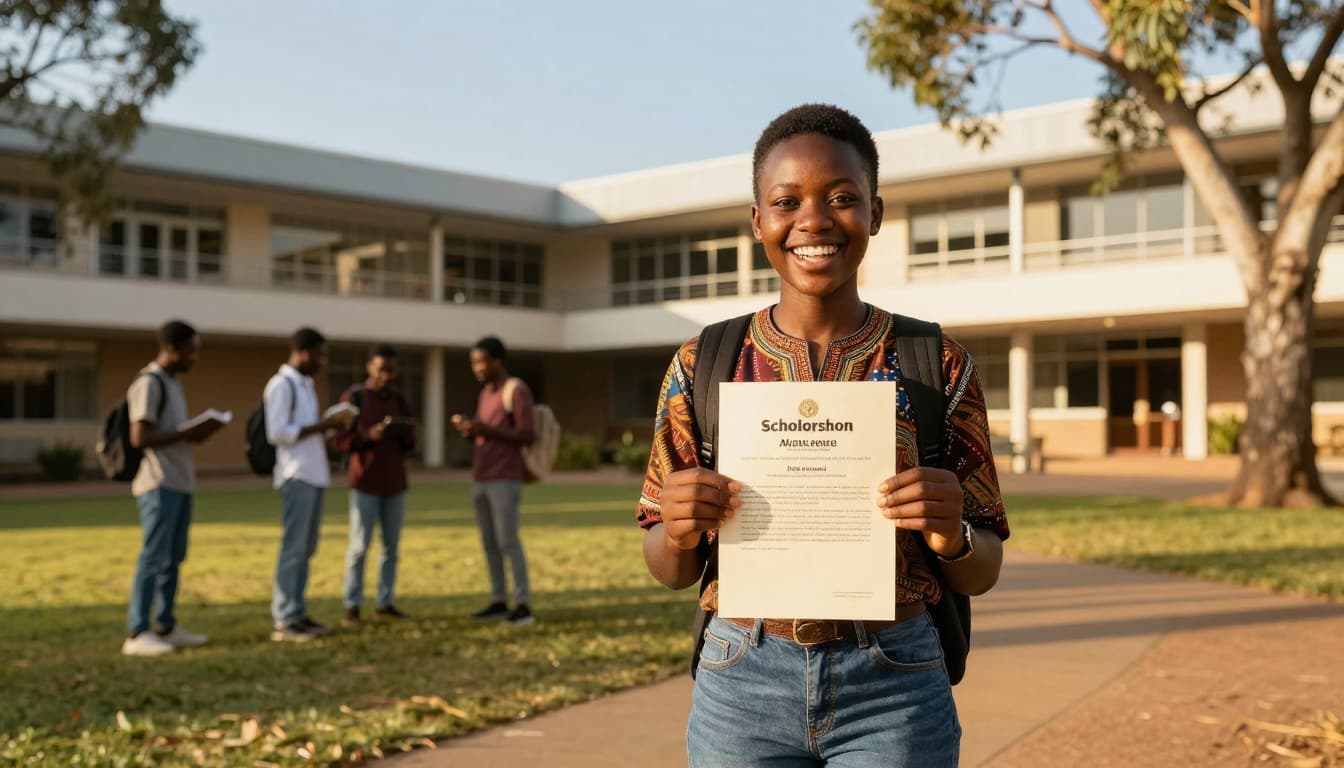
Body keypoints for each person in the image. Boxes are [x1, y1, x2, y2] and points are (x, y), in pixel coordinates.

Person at [637, 104, 1010, 766]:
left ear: (876, 214)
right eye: (787, 201)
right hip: (742, 677)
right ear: (758, 221)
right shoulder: (705, 364)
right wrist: (678, 526)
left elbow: (981, 570)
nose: (814, 220)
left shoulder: (935, 362)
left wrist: (951, 534)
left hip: (893, 682)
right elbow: (670, 569)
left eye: (842, 197)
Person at [121, 320, 226, 656]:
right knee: (153, 557)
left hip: (179, 481)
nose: (194, 359)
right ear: (174, 349)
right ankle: (137, 632)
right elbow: (140, 437)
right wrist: (187, 434)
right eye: (191, 352)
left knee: (173, 558)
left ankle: (165, 624)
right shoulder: (149, 383)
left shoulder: (172, 384)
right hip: (157, 483)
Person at [265, 327, 349, 642]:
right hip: (295, 475)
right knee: (294, 548)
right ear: (303, 352)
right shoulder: (281, 385)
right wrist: (323, 425)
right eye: (320, 354)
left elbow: (305, 430)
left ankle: (297, 612)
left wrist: (331, 425)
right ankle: (284, 619)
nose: (323, 362)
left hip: (314, 473)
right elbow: (277, 432)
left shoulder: (306, 385)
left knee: (306, 549)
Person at [450, 336, 536, 627]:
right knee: (489, 543)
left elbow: (527, 435)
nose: (476, 368)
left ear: (497, 361)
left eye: (481, 362)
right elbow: (486, 431)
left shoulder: (516, 390)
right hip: (481, 476)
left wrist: (484, 428)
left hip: (505, 478)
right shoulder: (485, 393)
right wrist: (471, 430)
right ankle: (499, 600)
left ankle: (523, 604)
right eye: (473, 362)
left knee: (508, 541)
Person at [333, 344, 416, 627]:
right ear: (370, 367)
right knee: (359, 547)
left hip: (394, 483)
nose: (387, 376)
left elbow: (410, 445)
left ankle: (385, 602)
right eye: (382, 370)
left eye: (392, 370)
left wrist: (403, 432)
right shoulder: (355, 397)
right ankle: (351, 606)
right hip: (364, 483)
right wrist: (371, 435)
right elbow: (341, 441)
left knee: (391, 548)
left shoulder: (401, 400)